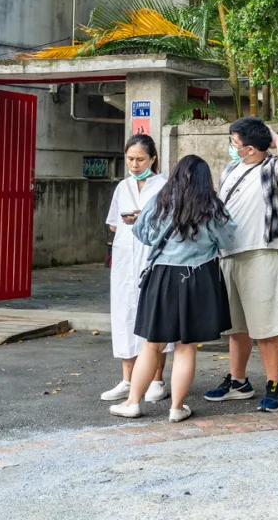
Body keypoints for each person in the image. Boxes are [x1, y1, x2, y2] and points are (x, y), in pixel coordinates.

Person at [109, 155, 235, 420]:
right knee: (185, 346)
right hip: (199, 278)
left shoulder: (161, 201)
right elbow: (226, 238)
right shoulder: (211, 206)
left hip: (162, 276)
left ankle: (132, 403)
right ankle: (176, 408)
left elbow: (142, 232)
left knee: (151, 345)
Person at [204, 117, 278, 412]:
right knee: (236, 326)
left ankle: (274, 385)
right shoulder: (231, 168)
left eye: (235, 143)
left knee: (266, 326)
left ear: (250, 149)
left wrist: (270, 134)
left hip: (261, 252)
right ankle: (238, 381)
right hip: (228, 254)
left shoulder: (271, 170)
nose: (231, 147)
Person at [101, 135, 173, 404]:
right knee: (124, 316)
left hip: (150, 257)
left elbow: (171, 223)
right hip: (124, 258)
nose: (134, 164)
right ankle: (127, 378)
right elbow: (112, 224)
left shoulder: (164, 186)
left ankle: (157, 379)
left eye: (140, 159)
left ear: (152, 159)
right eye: (130, 159)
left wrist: (143, 218)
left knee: (152, 317)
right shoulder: (122, 187)